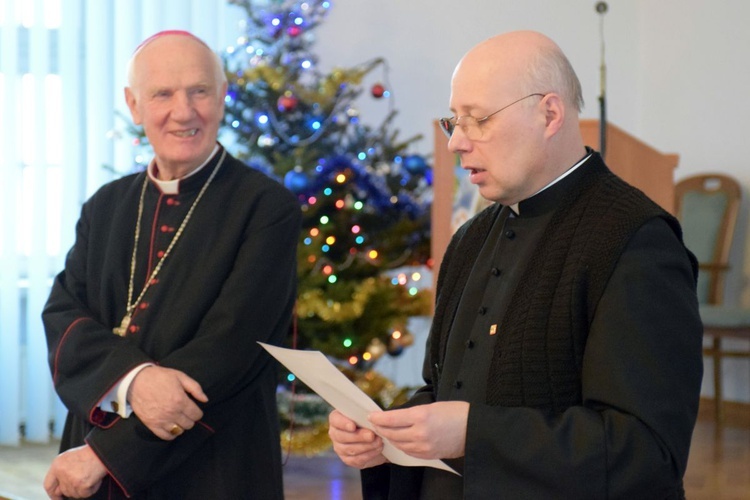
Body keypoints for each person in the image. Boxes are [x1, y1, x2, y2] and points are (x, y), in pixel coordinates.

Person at [328, 30, 703, 499]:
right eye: (454, 121)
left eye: (478, 120)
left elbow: (646, 451)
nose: (455, 144)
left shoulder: (635, 240)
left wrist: (472, 433)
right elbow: (445, 388)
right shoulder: (469, 239)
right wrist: (388, 434)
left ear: (549, 113)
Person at [42, 31, 300, 499]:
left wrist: (104, 456)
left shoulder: (266, 208)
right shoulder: (106, 206)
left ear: (223, 97)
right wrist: (134, 381)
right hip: (92, 458)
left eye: (199, 91)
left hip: (212, 467)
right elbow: (64, 317)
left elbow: (232, 349)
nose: (184, 112)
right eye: (162, 94)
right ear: (134, 105)